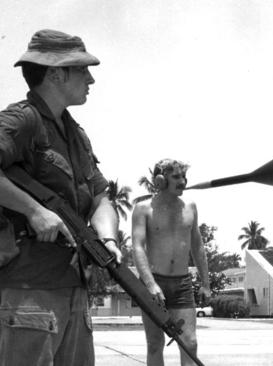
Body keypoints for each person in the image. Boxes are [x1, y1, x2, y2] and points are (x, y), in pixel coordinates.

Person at [0, 29, 122, 365]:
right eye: (82, 69)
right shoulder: (22, 120)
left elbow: (100, 196)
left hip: (73, 288)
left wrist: (108, 240)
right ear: (55, 74)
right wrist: (34, 211)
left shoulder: (76, 135)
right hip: (30, 290)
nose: (91, 79)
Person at [132, 159, 211, 366]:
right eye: (176, 177)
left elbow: (198, 246)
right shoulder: (143, 209)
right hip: (154, 283)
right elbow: (138, 247)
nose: (183, 181)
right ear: (160, 180)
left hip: (182, 284)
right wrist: (150, 284)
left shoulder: (190, 207)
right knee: (155, 344)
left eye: (184, 177)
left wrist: (205, 283)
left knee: (190, 343)